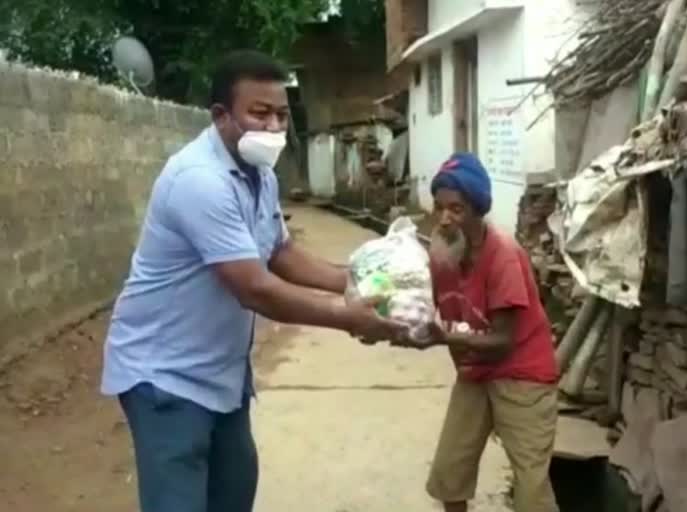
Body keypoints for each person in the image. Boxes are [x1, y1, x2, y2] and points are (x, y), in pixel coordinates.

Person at [100, 49, 406, 512]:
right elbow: (255, 287)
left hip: (222, 373)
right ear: (221, 116)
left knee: (234, 492)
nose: (274, 128)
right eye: (259, 114)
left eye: (282, 115)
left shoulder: (259, 173)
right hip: (165, 375)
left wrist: (352, 281)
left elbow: (279, 250)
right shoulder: (199, 180)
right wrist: (351, 318)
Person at [402, 153, 561, 512]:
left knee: (531, 487)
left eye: (456, 210)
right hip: (475, 371)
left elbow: (502, 342)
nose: (444, 219)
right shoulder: (443, 255)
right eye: (439, 208)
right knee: (450, 473)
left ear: (477, 210)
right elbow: (419, 305)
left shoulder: (503, 255)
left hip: (522, 374)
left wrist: (444, 338)